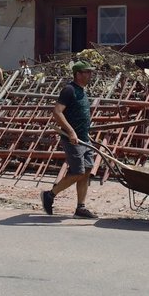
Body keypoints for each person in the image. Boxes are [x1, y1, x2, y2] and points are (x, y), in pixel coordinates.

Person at [41, 60, 98, 219]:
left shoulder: (82, 90)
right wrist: (71, 132)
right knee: (78, 171)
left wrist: (85, 133)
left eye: (90, 72)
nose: (90, 75)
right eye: (87, 72)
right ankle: (50, 195)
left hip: (84, 138)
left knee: (86, 171)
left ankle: (81, 207)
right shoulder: (69, 89)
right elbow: (57, 112)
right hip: (72, 139)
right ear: (78, 74)